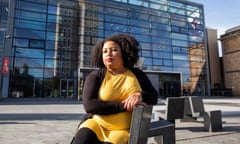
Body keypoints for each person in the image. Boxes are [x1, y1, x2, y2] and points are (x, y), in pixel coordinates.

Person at [71, 33, 158, 144]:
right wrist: (124, 106)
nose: (108, 54)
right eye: (105, 51)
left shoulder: (137, 74)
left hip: (122, 130)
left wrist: (141, 96)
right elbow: (89, 105)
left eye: (114, 50)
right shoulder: (95, 76)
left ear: (123, 53)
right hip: (96, 125)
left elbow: (154, 97)